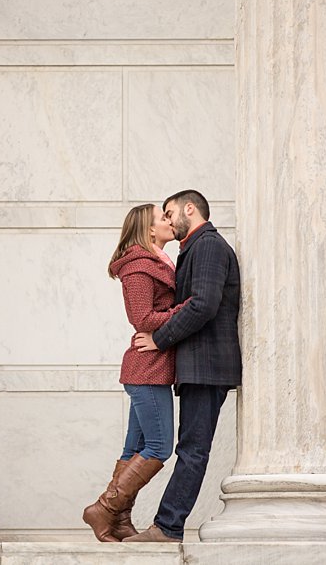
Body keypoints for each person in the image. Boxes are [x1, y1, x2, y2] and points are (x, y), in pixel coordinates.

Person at [123, 189, 241, 543]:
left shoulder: (207, 246)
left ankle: (168, 527)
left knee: (192, 449)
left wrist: (160, 339)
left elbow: (203, 305)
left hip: (207, 368)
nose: (168, 220)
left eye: (171, 212)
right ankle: (133, 518)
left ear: (190, 208)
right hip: (197, 367)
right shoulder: (193, 248)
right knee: (185, 447)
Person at [82, 203, 188, 542]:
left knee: (135, 448)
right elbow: (142, 318)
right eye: (162, 218)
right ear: (148, 229)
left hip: (152, 368)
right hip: (147, 369)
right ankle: (103, 509)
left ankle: (118, 521)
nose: (169, 221)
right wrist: (185, 310)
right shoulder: (140, 267)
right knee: (158, 447)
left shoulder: (158, 262)